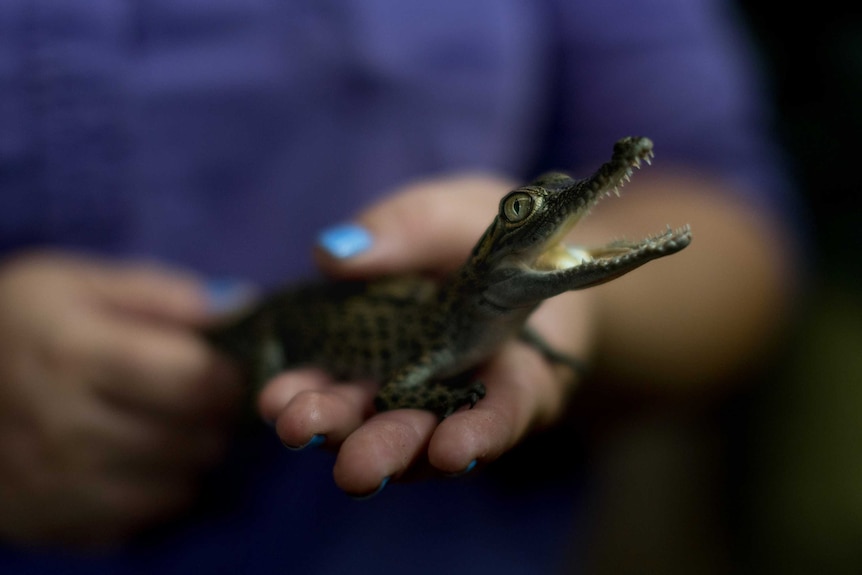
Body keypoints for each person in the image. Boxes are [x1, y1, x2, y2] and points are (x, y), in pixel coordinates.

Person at [0, 1, 798, 573]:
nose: (557, 214)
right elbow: (415, 382)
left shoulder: (495, 314)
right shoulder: (451, 338)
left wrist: (587, 314)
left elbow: (739, 230)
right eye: (526, 209)